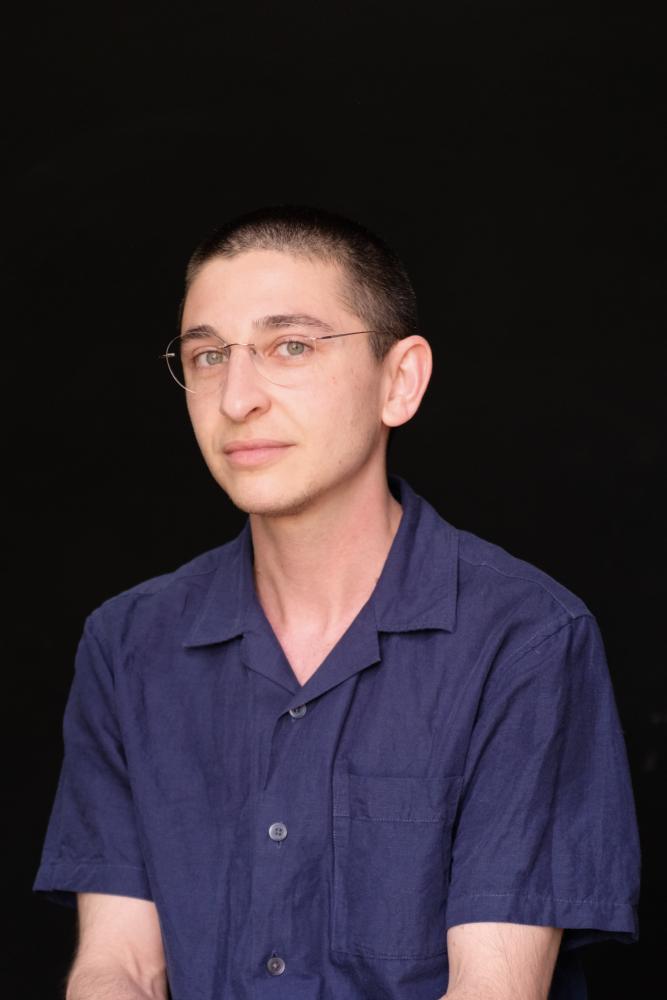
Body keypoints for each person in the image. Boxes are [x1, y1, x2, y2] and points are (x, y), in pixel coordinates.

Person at [33, 206, 640, 1000]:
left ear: (399, 380)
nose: (236, 398)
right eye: (208, 355)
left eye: (290, 345)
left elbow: (495, 988)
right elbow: (118, 966)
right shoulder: (127, 644)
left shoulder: (524, 639)